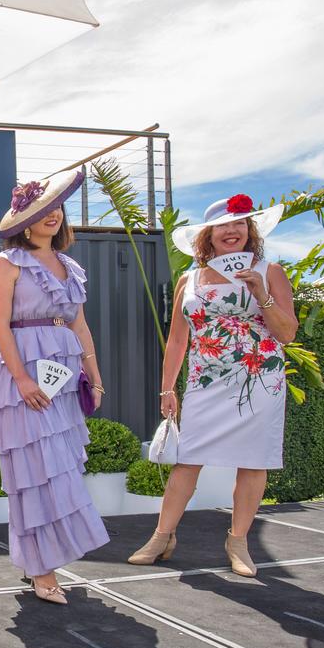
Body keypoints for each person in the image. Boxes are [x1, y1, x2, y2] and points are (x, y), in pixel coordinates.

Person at [129, 195, 294, 577]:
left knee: (253, 463)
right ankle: (162, 535)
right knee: (187, 460)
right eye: (224, 225)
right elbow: (176, 340)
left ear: (249, 231)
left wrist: (261, 294)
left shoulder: (270, 271)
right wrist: (167, 389)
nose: (232, 230)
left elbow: (286, 333)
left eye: (240, 224)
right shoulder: (190, 278)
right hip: (205, 380)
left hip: (259, 380)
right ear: (208, 234)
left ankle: (238, 542)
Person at [0, 171, 109, 604]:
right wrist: (20, 378)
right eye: (41, 210)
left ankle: (45, 560)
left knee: (62, 468)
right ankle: (40, 569)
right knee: (35, 472)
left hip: (65, 376)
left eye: (56, 208)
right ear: (24, 221)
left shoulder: (69, 266)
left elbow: (78, 323)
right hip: (25, 377)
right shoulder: (7, 264)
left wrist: (93, 373)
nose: (52, 215)